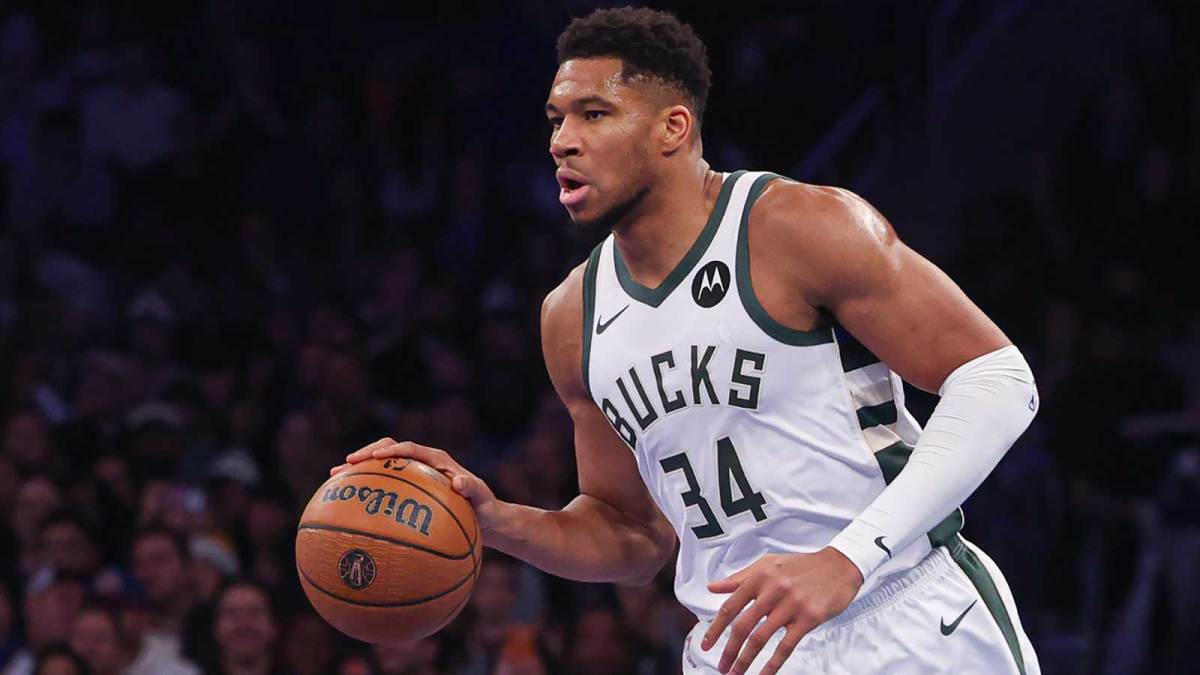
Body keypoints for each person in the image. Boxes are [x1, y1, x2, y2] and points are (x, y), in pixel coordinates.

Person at [335, 7, 1040, 674]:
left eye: (594, 113)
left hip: (903, 617)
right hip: (737, 649)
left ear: (673, 126)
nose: (561, 140)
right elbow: (633, 535)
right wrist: (496, 521)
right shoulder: (571, 315)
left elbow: (999, 380)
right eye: (556, 119)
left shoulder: (793, 227)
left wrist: (848, 556)